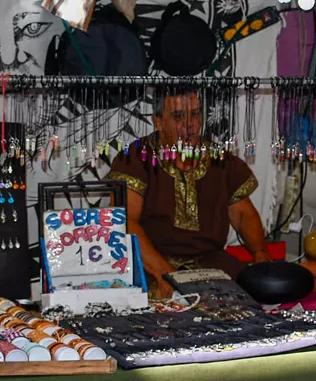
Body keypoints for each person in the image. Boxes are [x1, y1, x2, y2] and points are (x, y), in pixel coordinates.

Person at [107, 90, 270, 296]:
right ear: (158, 121)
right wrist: (166, 275)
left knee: (250, 297)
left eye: (196, 114)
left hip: (211, 264)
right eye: (178, 116)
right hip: (152, 266)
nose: (190, 124)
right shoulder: (136, 159)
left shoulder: (220, 160)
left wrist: (261, 255)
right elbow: (124, 221)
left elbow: (243, 213)